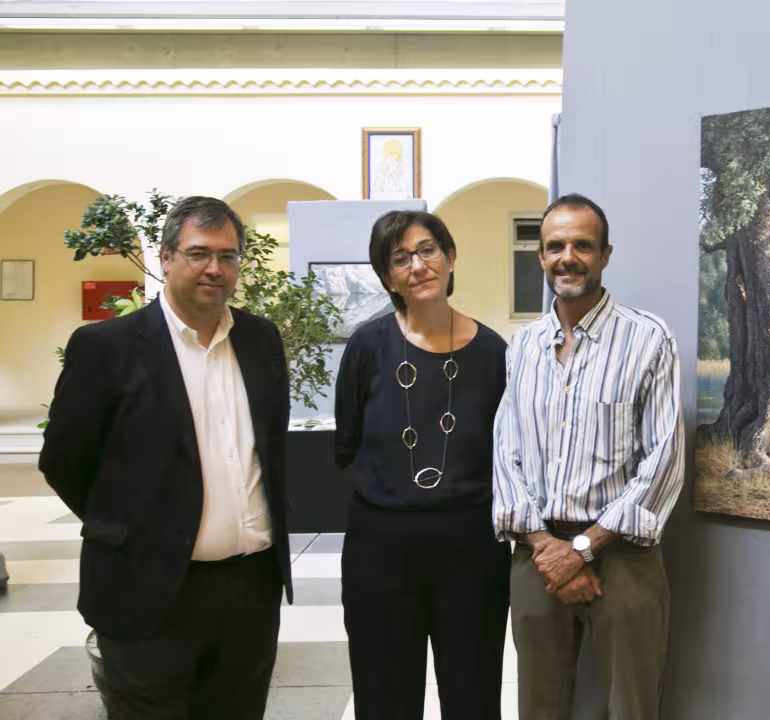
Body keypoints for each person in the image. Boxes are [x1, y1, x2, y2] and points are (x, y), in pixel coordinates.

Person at [40, 196, 294, 720]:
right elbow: (64, 460)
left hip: (249, 592)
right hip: (148, 589)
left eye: (228, 256)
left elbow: (267, 449)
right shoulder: (106, 348)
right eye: (199, 253)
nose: (214, 268)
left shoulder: (260, 340)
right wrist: (132, 528)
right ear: (166, 258)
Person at [493, 193, 685, 719]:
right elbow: (505, 452)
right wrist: (545, 547)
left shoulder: (648, 338)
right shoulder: (523, 345)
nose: (567, 257)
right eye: (555, 246)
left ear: (605, 254)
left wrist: (581, 548)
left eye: (582, 245)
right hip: (536, 555)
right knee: (540, 706)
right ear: (541, 256)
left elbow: (663, 460)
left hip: (621, 553)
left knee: (632, 707)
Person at [335, 210, 511, 720]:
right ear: (387, 275)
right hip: (380, 551)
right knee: (384, 694)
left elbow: (507, 452)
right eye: (400, 257)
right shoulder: (367, 346)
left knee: (474, 695)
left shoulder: (493, 353)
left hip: (473, 552)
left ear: (451, 258)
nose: (418, 264)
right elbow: (348, 442)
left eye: (429, 249)